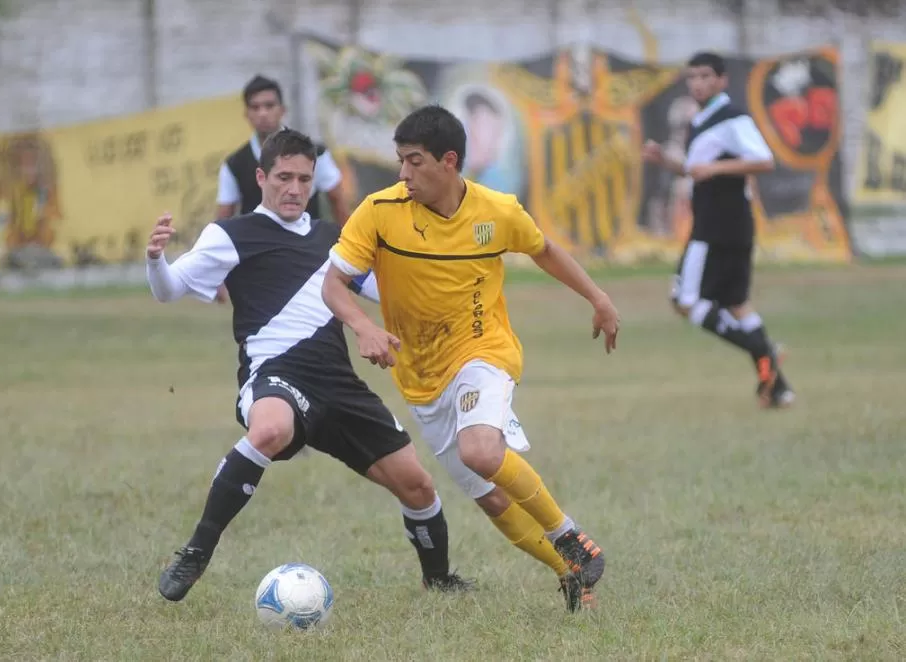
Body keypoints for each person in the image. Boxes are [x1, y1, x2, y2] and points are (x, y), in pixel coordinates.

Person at [147, 128, 473, 602]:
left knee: (418, 485)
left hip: (338, 383)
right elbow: (169, 289)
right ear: (261, 177)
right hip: (276, 374)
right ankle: (195, 553)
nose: (295, 189)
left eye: (304, 179)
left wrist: (448, 289)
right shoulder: (231, 234)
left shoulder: (334, 240)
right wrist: (156, 259)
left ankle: (439, 580)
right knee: (269, 430)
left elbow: (389, 294)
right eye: (284, 177)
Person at [321, 105, 620, 613]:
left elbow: (544, 249)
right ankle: (570, 572)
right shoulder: (379, 212)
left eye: (414, 161)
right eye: (400, 161)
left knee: (481, 451)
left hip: (484, 351)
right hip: (421, 377)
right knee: (493, 498)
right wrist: (364, 325)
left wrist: (598, 297)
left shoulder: (495, 211)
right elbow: (334, 285)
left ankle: (569, 536)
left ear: (449, 161)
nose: (403, 173)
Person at [642, 51, 795, 408]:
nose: (698, 83)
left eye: (706, 76)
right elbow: (697, 170)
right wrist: (666, 160)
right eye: (692, 76)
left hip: (716, 227)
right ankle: (780, 389)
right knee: (737, 304)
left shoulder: (731, 118)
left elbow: (764, 160)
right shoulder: (705, 119)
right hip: (733, 225)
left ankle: (765, 354)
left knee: (685, 300)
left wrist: (714, 171)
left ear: (722, 80)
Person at [216, 75, 349, 225]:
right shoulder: (234, 164)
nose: (263, 113)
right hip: (257, 246)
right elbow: (224, 217)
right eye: (255, 107)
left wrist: (348, 244)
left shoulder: (315, 153)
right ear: (247, 114)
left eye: (269, 105)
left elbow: (338, 201)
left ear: (282, 110)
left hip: (306, 244)